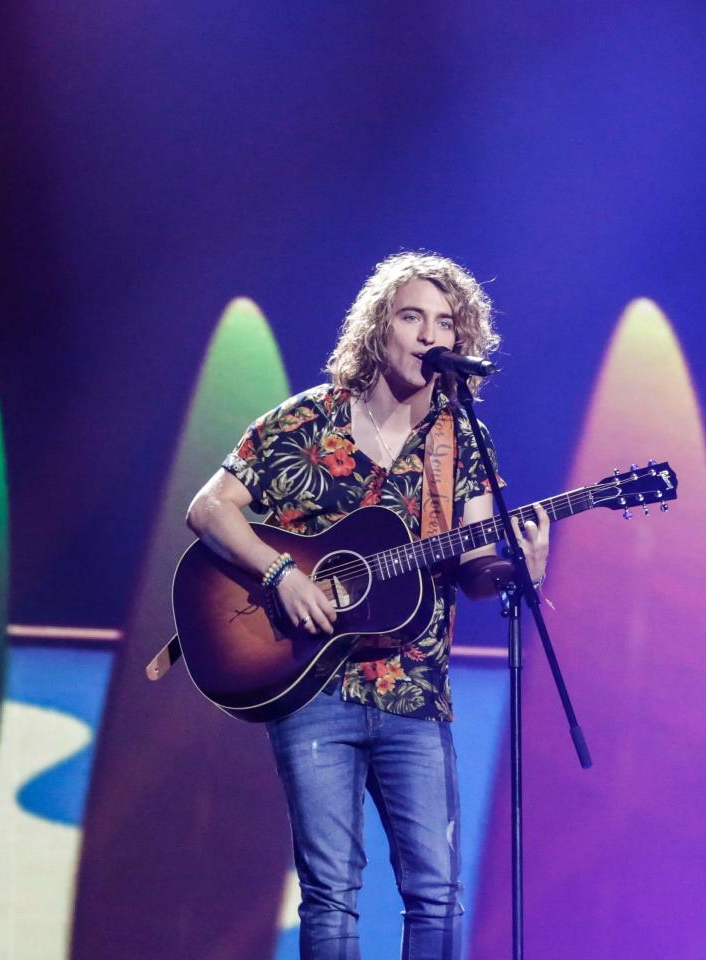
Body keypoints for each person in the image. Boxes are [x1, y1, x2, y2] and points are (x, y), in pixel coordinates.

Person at [185, 251, 548, 959]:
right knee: (330, 892)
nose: (427, 334)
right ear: (380, 328)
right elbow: (209, 509)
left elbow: (476, 571)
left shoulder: (459, 439)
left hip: (415, 693)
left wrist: (516, 569)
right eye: (412, 317)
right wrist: (279, 574)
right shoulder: (306, 421)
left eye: (445, 322)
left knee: (437, 890)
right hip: (312, 684)